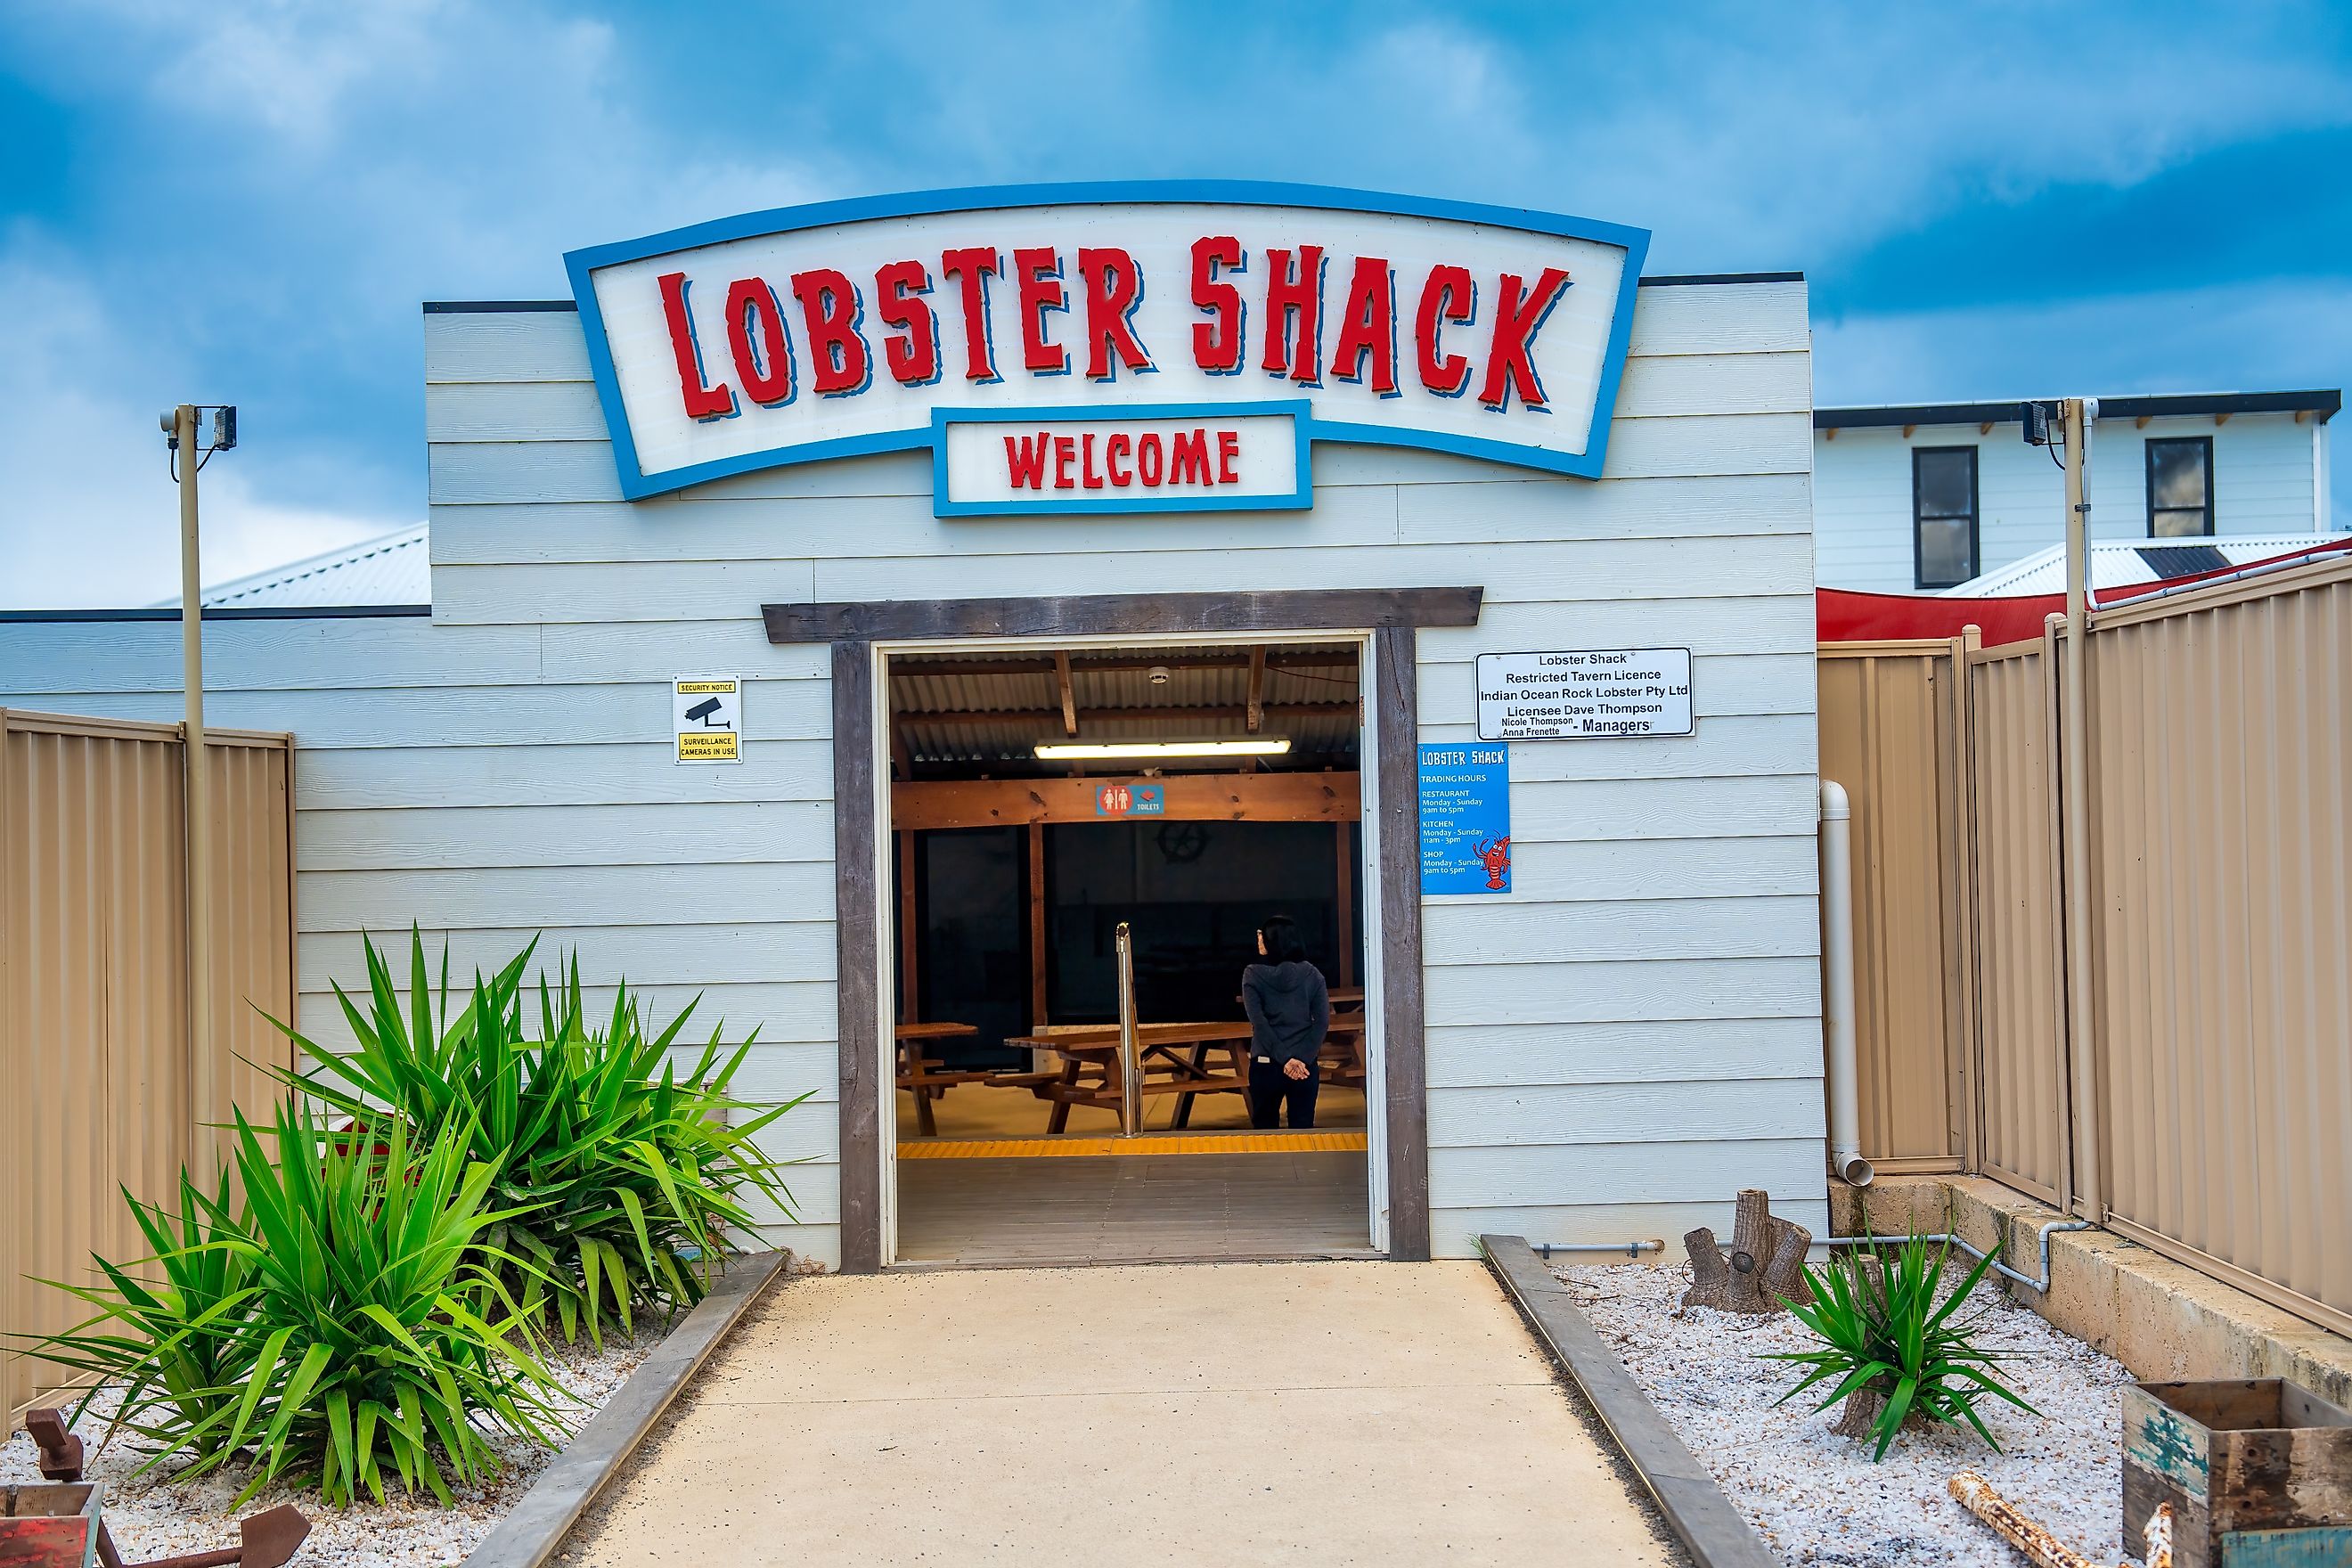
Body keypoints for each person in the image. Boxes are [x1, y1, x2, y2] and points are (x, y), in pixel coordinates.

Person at [1240, 914, 1328, 1130]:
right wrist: (1301, 1059)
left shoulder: (1252, 975)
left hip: (1266, 1064)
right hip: (1304, 1067)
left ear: (1273, 942)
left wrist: (1285, 1059)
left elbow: (1259, 1023)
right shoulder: (1313, 974)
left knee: (1264, 1132)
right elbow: (1322, 1022)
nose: (1258, 938)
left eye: (1263, 935)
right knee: (1303, 1129)